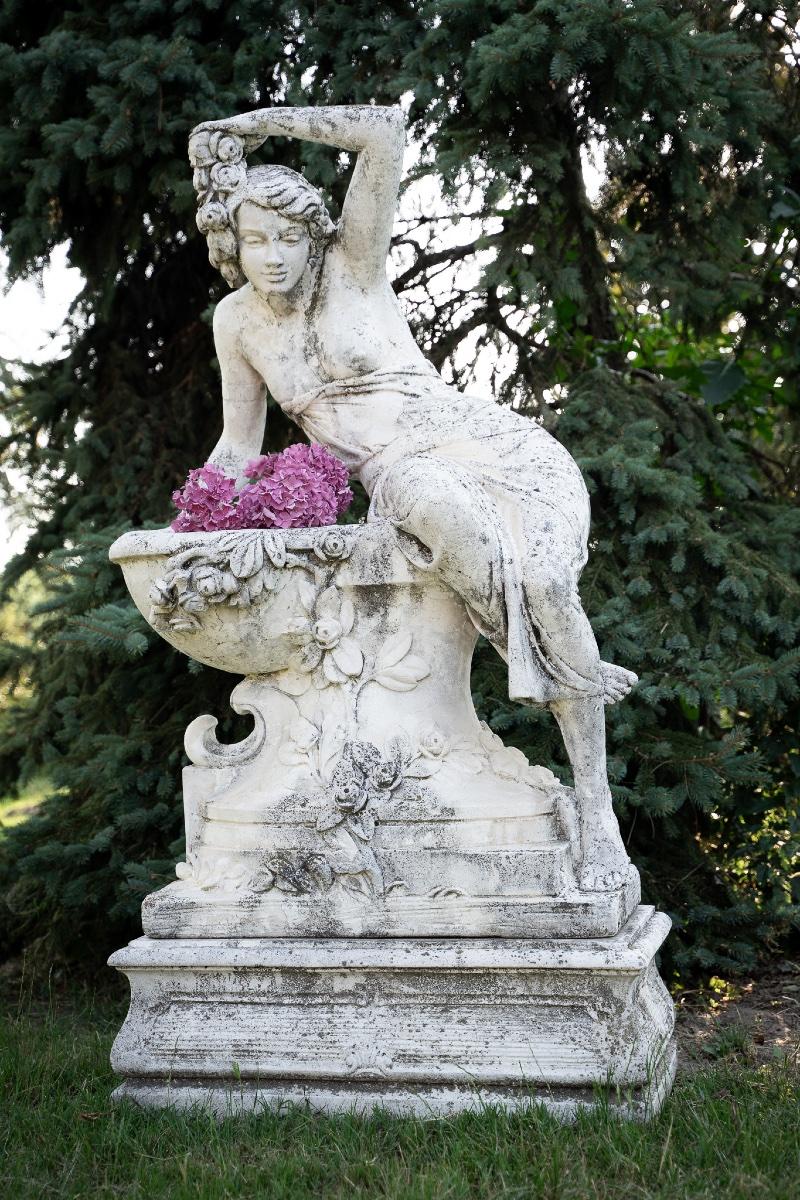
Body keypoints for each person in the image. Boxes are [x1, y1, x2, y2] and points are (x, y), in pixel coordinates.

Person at [189, 104, 637, 891]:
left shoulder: (352, 266)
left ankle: (597, 809)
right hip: (402, 471)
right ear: (234, 243)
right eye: (255, 240)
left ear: (316, 237)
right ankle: (560, 663)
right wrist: (200, 515)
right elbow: (238, 447)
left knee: (547, 581)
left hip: (497, 444)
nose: (272, 257)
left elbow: (383, 132)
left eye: (289, 237)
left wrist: (258, 121)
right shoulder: (238, 324)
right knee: (459, 527)